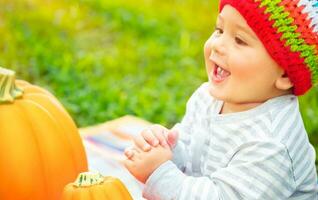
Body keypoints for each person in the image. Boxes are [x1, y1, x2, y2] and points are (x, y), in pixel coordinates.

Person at [123, 0, 318, 199]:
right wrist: (166, 149)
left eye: (240, 40)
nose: (217, 45)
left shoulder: (272, 144)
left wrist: (160, 174)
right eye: (219, 30)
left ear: (285, 75)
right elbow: (192, 155)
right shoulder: (207, 97)